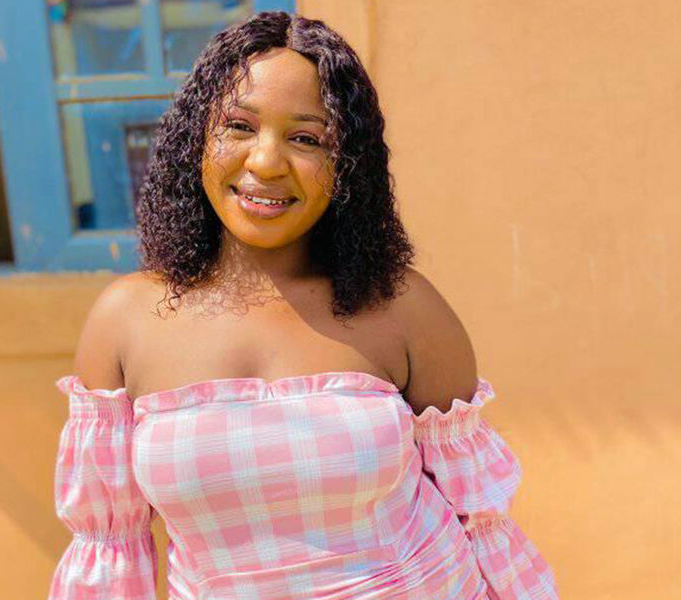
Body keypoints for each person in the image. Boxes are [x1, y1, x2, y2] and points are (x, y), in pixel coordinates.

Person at [48, 11, 559, 600]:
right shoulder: (126, 321)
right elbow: (109, 552)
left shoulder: (402, 308)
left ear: (347, 165)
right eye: (239, 126)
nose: (266, 162)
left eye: (306, 138)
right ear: (197, 139)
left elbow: (481, 522)